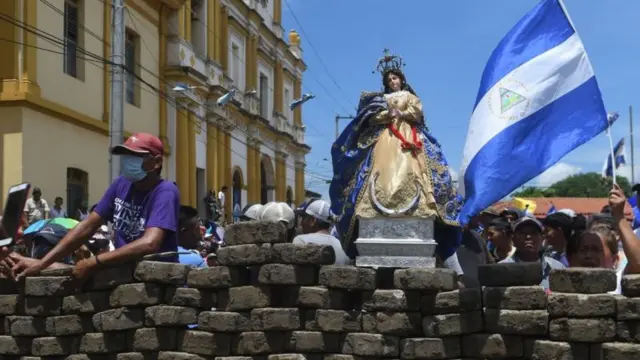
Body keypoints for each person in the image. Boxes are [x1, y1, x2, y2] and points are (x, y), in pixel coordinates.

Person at [329, 50, 463, 272]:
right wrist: (385, 115)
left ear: (402, 79)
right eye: (389, 80)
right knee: (378, 171)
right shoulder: (380, 100)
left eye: (395, 78)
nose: (392, 82)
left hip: (409, 138)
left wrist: (403, 115)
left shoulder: (411, 97)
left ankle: (422, 207)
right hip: (386, 138)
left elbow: (417, 112)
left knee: (418, 171)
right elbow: (370, 117)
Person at [12, 133, 180, 280]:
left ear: (157, 162)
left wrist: (96, 261)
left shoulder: (165, 191)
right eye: (126, 156)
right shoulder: (121, 184)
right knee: (59, 270)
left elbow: (150, 243)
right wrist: (42, 264)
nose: (128, 161)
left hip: (157, 279)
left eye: (135, 157)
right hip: (125, 272)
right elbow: (88, 226)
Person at [500, 217, 565, 291]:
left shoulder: (557, 268)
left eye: (534, 233)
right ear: (513, 239)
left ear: (542, 238)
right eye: (522, 233)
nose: (528, 237)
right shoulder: (501, 269)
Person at [293, 199, 351, 265]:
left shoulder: (301, 240)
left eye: (304, 218)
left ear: (313, 221)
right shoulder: (341, 245)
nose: (301, 223)